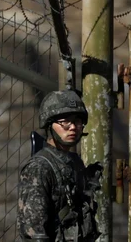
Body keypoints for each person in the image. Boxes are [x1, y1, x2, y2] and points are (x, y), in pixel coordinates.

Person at [17, 89, 102, 241]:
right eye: (65, 121)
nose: (73, 127)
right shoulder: (39, 168)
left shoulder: (74, 162)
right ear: (49, 124)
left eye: (77, 121)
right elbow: (34, 232)